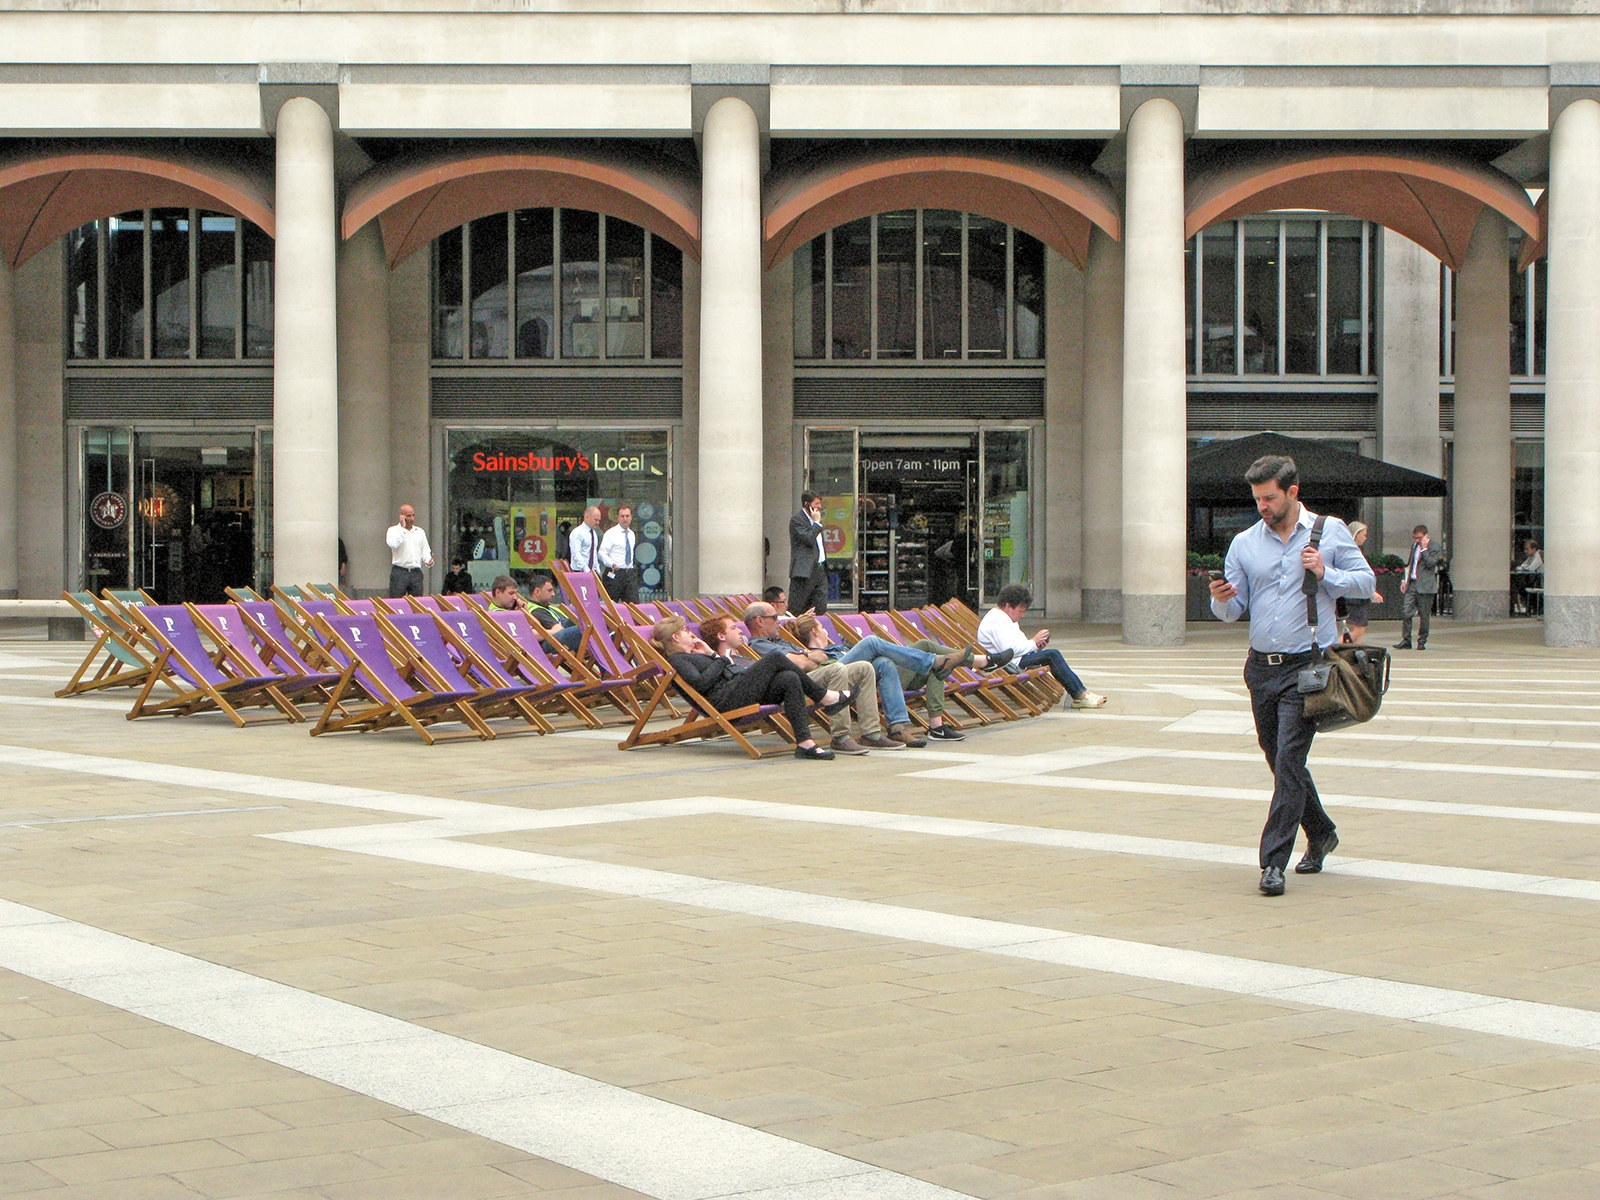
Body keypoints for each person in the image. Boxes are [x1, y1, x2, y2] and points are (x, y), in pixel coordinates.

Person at [1210, 454, 1374, 897]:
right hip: (1260, 666)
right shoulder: (1244, 542)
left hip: (1307, 667)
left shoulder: (1330, 531)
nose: (1262, 506)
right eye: (1257, 498)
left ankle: (1272, 863)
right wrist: (1221, 598)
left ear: (1292, 492)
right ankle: (1321, 832)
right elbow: (1231, 611)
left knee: (1287, 760)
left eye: (1269, 498)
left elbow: (1366, 583)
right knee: (1277, 757)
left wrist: (1325, 572)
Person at [650, 613, 849, 761]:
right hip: (725, 701)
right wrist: (722, 660)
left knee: (789, 677)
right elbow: (701, 684)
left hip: (735, 691)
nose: (690, 633)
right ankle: (824, 697)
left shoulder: (695, 654)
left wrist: (712, 655)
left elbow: (718, 671)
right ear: (675, 638)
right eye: (685, 631)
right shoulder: (677, 660)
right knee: (775, 658)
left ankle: (805, 743)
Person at [716, 613, 880, 754]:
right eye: (774, 617)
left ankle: (871, 733)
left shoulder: (781, 642)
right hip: (795, 683)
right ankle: (840, 735)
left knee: (865, 667)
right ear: (760, 620)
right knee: (842, 664)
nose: (779, 621)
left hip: (806, 676)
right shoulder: (758, 644)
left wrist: (806, 657)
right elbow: (799, 665)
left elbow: (821, 657)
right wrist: (806, 657)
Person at [977, 584, 1106, 710]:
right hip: (1008, 663)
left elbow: (1019, 643)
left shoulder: (1006, 618)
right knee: (1052, 655)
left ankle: (1082, 693)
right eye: (1020, 611)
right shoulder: (998, 619)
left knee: (1051, 655)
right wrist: (1034, 642)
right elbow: (1010, 650)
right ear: (1008, 606)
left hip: (1015, 659)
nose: (1022, 615)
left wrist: (1036, 647)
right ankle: (1080, 695)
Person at [1395, 523, 1447, 650]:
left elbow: (1431, 563)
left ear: (1425, 535)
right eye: (1415, 538)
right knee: (1406, 613)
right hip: (1412, 583)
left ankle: (1422, 640)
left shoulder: (1434, 547)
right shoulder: (1414, 546)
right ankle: (1406, 639)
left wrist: (1424, 549)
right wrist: (1404, 580)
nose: (1417, 540)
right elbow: (1410, 564)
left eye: (1419, 538)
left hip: (1425, 586)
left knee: (1424, 615)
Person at [514, 572, 584, 654]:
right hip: (550, 644)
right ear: (537, 592)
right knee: (585, 629)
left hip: (559, 637)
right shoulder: (537, 611)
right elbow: (559, 629)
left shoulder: (548, 607)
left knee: (586, 618)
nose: (553, 594)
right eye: (549, 591)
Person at [1338, 521, 1382, 644]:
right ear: (1356, 534)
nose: (1365, 538)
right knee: (1359, 629)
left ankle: (1356, 655)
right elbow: (1359, 574)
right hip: (1355, 596)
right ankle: (1334, 648)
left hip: (1353, 595)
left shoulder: (1349, 550)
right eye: (1363, 534)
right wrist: (1372, 592)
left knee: (1357, 630)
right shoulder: (1351, 552)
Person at [788, 492, 829, 616]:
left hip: (820, 568)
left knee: (820, 604)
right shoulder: (797, 520)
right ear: (807, 504)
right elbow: (808, 539)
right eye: (816, 504)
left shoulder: (817, 520)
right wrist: (816, 524)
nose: (819, 506)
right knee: (799, 605)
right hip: (805, 570)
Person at [385, 504, 433, 598]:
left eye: (413, 515)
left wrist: (428, 561)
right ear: (402, 516)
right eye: (408, 516)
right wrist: (403, 529)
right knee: (396, 601)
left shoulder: (420, 532)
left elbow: (425, 550)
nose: (412, 518)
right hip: (400, 571)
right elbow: (393, 544)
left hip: (416, 572)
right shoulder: (393, 530)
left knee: (417, 603)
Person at [599, 505, 640, 604]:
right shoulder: (611, 533)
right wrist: (611, 563)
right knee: (610, 606)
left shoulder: (631, 534)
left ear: (631, 517)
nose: (625, 519)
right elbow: (601, 552)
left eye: (627, 516)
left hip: (629, 573)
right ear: (617, 517)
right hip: (614, 573)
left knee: (634, 606)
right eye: (622, 516)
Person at [565, 505, 603, 575]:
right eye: (596, 520)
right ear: (587, 517)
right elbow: (576, 553)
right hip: (579, 571)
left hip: (592, 571)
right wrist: (586, 570)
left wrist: (597, 569)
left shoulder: (593, 533)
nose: (598, 523)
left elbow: (594, 553)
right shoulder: (577, 532)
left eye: (599, 520)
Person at [1513, 539, 1543, 615]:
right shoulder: (1531, 557)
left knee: (1523, 588)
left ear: (1534, 549)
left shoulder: (1538, 555)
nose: (1525, 551)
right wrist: (1525, 567)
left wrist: (1525, 567)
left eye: (1527, 549)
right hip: (1535, 580)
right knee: (1522, 587)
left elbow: (1531, 568)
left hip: (1540, 581)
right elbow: (1523, 565)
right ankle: (1529, 609)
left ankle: (1533, 609)